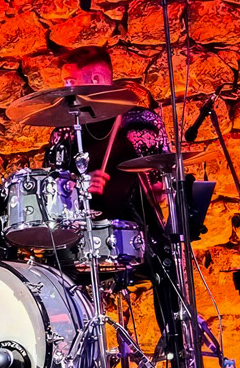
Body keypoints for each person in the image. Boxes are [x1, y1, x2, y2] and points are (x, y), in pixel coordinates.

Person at [41, 46, 183, 352]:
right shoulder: (65, 131)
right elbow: (52, 190)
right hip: (79, 235)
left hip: (136, 231)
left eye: (70, 81)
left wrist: (161, 189)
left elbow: (162, 182)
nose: (65, 88)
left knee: (168, 261)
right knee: (50, 272)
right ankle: (69, 356)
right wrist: (79, 186)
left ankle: (176, 351)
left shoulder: (140, 122)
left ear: (95, 80)